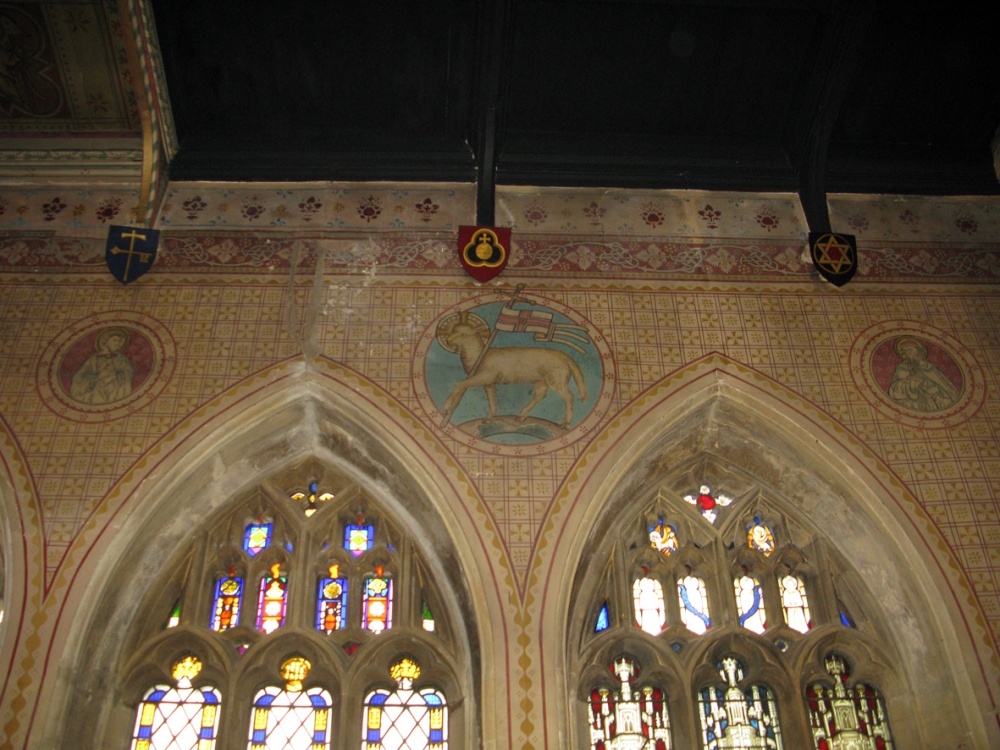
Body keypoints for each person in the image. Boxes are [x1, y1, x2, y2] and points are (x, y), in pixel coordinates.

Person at [887, 336, 960, 411]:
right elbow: (895, 388)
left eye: (910, 349)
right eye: (905, 351)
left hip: (937, 397)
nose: (908, 352)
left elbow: (944, 385)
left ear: (917, 350)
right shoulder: (903, 367)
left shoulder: (930, 367)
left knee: (946, 402)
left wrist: (937, 390)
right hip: (919, 399)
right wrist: (911, 385)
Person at [69, 328, 134, 404]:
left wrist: (120, 375)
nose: (117, 343)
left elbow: (128, 372)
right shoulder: (94, 358)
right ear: (105, 342)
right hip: (97, 388)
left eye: (119, 341)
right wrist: (92, 379)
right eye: (114, 340)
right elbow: (80, 376)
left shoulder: (121, 358)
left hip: (115, 387)